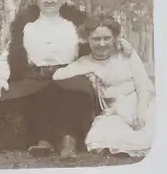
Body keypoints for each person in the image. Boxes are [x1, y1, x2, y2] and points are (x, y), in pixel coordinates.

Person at [0, 0, 132, 161]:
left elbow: (101, 35)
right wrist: (3, 79)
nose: (49, 1)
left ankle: (68, 141)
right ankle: (42, 141)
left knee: (74, 94)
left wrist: (121, 41)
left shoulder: (76, 23)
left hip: (69, 73)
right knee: (9, 98)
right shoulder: (25, 25)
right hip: (34, 76)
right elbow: (8, 54)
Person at [53, 14, 156, 157]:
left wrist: (141, 111)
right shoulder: (84, 62)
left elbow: (143, 85)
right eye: (96, 39)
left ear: (114, 38)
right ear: (86, 39)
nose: (102, 44)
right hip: (113, 112)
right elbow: (57, 75)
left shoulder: (126, 54)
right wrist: (89, 70)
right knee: (101, 137)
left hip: (141, 104)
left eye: (107, 38)